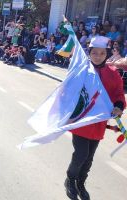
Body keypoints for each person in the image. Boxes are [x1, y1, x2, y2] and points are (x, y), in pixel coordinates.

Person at [64, 36, 125, 200]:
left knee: (89, 158)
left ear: (106, 54)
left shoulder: (113, 74)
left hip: (98, 123)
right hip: (81, 121)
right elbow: (69, 90)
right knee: (81, 154)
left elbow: (119, 93)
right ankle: (70, 180)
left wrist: (119, 105)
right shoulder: (82, 70)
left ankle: (81, 183)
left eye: (101, 53)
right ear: (89, 53)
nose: (98, 56)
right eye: (94, 53)